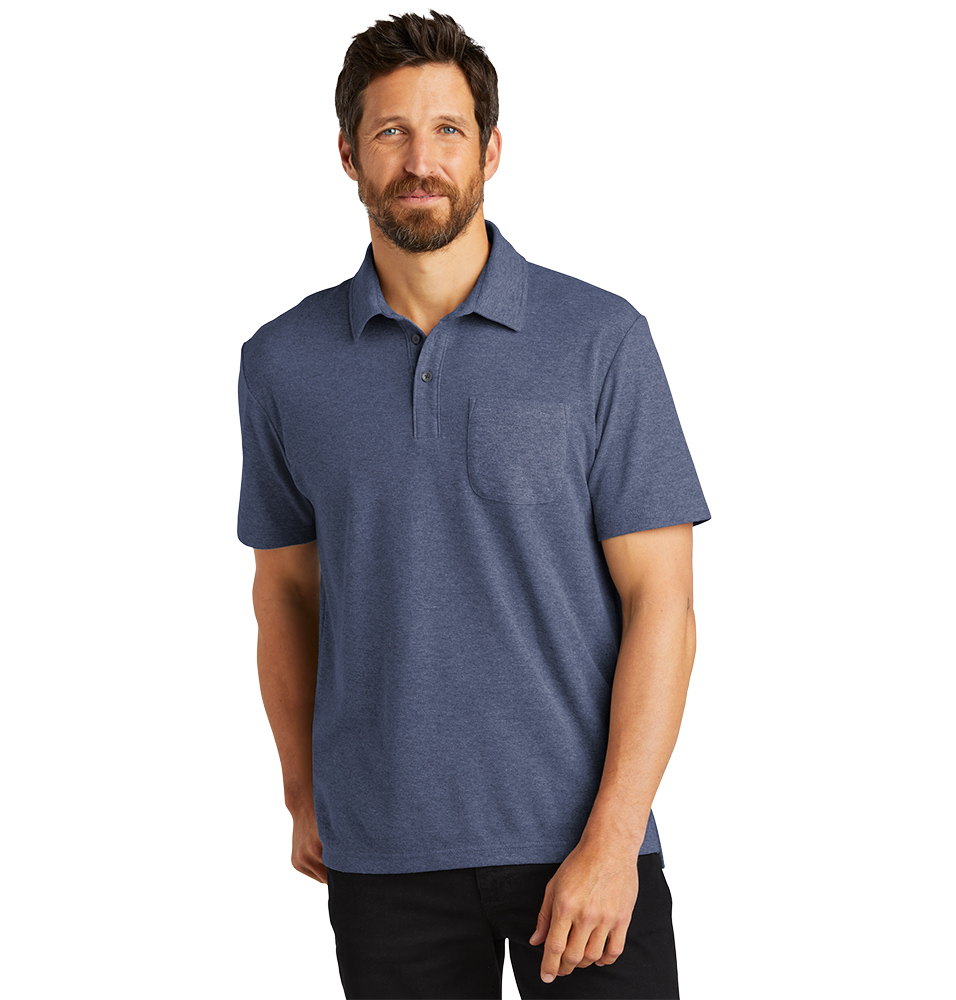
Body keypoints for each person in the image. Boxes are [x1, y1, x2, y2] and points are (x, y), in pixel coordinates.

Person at [236, 10, 711, 999]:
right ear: (348, 155)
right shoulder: (282, 362)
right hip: (383, 851)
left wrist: (612, 839)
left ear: (490, 150)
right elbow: (284, 589)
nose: (421, 160)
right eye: (391, 131)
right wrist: (300, 788)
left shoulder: (600, 340)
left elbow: (661, 601)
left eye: (448, 130)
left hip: (580, 845)